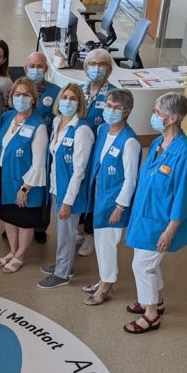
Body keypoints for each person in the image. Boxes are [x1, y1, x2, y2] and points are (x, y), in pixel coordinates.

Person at [123, 93, 187, 334]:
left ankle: (151, 315)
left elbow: (183, 198)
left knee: (142, 266)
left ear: (173, 118)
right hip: (144, 215)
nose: (154, 116)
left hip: (161, 222)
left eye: (158, 113)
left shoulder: (186, 154)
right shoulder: (158, 143)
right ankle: (155, 300)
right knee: (149, 263)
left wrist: (169, 231)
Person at [82, 89, 140, 305]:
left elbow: (130, 179)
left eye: (117, 108)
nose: (111, 111)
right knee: (101, 241)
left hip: (112, 201)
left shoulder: (130, 142)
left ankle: (105, 288)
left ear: (127, 111)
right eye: (108, 105)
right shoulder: (103, 129)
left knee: (107, 243)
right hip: (98, 195)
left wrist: (120, 206)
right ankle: (104, 279)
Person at [37, 83, 94, 289]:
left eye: (73, 98)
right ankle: (65, 265)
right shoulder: (57, 121)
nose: (67, 102)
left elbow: (79, 170)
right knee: (63, 232)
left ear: (80, 103)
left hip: (71, 192)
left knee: (67, 233)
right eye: (65, 97)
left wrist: (67, 202)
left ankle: (62, 275)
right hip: (56, 186)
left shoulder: (82, 130)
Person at [0, 77, 48, 273]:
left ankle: (21, 255)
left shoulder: (38, 126)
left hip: (25, 181)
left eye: (26, 95)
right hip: (4, 175)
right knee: (8, 216)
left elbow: (39, 163)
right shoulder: (8, 117)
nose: (20, 98)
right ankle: (13, 250)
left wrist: (25, 188)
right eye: (17, 94)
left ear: (33, 99)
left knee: (24, 220)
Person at [78, 49, 115, 257]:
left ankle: (90, 235)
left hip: (99, 153)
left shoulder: (113, 95)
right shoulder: (80, 90)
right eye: (92, 63)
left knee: (94, 192)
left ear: (109, 69)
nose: (96, 68)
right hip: (79, 151)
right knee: (81, 190)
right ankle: (80, 229)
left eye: (101, 64)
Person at [24, 51, 60, 244]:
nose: (35, 70)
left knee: (41, 186)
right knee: (20, 184)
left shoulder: (55, 92)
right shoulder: (19, 88)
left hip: (44, 150)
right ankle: (19, 221)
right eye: (32, 66)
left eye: (39, 66)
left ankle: (40, 226)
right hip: (21, 147)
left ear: (46, 69)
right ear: (25, 68)